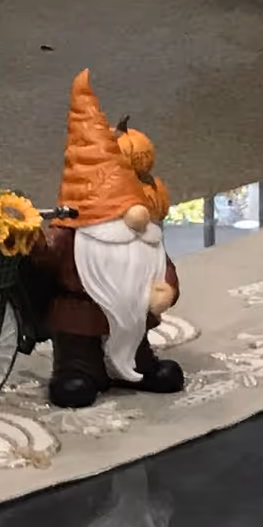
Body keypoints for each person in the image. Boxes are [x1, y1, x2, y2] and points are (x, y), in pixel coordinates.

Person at [33, 70, 184, 409]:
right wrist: (31, 242)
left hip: (131, 317)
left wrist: (166, 289)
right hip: (78, 315)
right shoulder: (72, 237)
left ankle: (136, 364)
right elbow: (45, 257)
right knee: (76, 373)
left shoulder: (144, 237)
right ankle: (80, 371)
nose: (137, 217)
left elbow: (163, 267)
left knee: (140, 350)